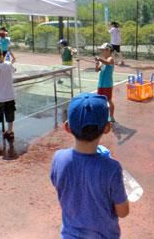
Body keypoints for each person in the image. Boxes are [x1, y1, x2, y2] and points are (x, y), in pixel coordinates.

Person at [50, 93, 129, 239]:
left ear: (67, 127)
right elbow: (123, 212)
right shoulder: (111, 168)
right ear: (107, 128)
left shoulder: (58, 158)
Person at [95, 42, 116, 122]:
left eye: (103, 50)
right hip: (100, 84)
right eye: (101, 50)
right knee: (99, 100)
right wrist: (97, 64)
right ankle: (101, 115)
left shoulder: (111, 59)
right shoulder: (102, 61)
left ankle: (111, 116)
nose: (102, 52)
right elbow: (97, 70)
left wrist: (99, 59)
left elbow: (107, 63)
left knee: (109, 100)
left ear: (108, 51)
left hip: (107, 84)